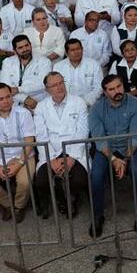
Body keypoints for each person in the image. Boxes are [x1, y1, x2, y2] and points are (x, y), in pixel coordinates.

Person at [87, 75, 137, 236]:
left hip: (131, 147)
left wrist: (125, 160)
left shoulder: (136, 104)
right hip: (107, 148)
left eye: (119, 86)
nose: (117, 91)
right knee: (96, 175)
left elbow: (136, 136)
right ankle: (97, 216)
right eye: (111, 89)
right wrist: (114, 160)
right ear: (105, 92)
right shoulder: (96, 109)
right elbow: (99, 139)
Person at [33, 72, 90, 218]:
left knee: (79, 180)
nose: (59, 87)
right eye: (54, 85)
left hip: (75, 150)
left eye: (61, 83)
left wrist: (71, 157)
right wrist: (51, 159)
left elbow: (82, 132)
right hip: (51, 150)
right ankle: (61, 198)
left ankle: (73, 198)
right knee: (41, 181)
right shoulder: (41, 107)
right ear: (47, 89)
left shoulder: (79, 102)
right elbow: (41, 136)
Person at [0, 83, 36, 222]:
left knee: (25, 182)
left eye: (8, 97)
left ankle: (19, 207)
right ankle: (8, 204)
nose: (6, 101)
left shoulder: (24, 113)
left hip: (23, 156)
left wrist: (19, 163)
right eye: (1, 99)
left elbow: (29, 140)